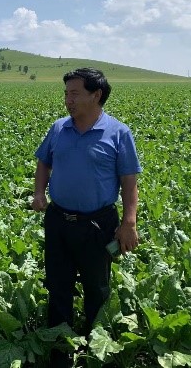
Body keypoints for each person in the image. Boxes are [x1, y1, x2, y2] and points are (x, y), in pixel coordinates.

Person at [31, 67, 141, 366]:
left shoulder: (118, 132)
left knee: (97, 288)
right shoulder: (58, 128)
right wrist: (39, 193)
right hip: (58, 221)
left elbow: (129, 182)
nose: (68, 100)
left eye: (75, 94)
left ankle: (95, 348)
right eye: (66, 94)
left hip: (97, 224)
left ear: (96, 95)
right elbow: (44, 162)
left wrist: (128, 223)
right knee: (58, 286)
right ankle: (60, 350)